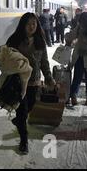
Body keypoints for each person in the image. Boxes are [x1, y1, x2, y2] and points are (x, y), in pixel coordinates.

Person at [6, 13, 56, 154]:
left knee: (31, 105)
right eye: (28, 24)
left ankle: (19, 120)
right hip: (18, 82)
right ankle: (24, 140)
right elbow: (6, 58)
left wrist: (49, 77)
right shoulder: (14, 40)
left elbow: (44, 62)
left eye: (34, 23)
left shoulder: (40, 40)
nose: (31, 26)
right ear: (23, 25)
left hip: (34, 82)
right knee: (22, 111)